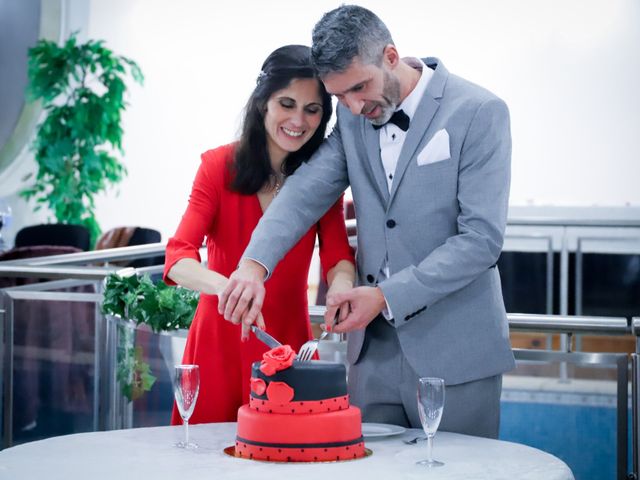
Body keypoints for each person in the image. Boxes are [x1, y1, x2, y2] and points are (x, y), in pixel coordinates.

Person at [218, 6, 515, 439]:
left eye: (360, 87)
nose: (355, 106)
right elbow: (303, 194)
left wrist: (385, 295)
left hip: (457, 352)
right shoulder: (353, 120)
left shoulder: (479, 111)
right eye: (341, 97)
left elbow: (481, 240)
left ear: (391, 56)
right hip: (371, 356)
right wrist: (252, 265)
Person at [164, 44, 355, 425]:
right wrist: (229, 289)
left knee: (294, 457)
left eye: (312, 109)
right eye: (287, 104)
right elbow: (178, 257)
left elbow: (338, 259)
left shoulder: (321, 181)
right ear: (262, 103)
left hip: (290, 345)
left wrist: (342, 286)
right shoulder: (217, 166)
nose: (298, 120)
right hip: (218, 342)